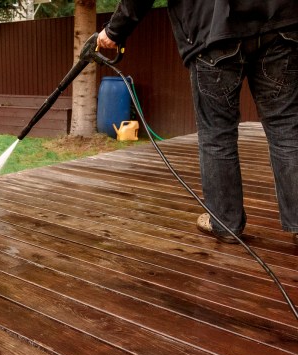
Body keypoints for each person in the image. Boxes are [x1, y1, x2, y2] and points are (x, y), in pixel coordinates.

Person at [97, 1, 298, 245]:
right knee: (286, 127)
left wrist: (114, 31)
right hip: (279, 24)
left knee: (217, 135)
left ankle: (225, 224)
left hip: (213, 33)